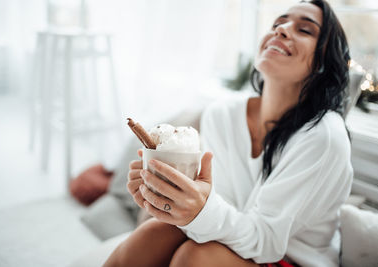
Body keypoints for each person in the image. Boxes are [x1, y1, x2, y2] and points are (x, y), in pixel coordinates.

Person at [104, 0, 353, 266]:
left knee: (196, 258)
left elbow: (266, 240)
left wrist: (198, 210)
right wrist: (168, 201)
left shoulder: (324, 137)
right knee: (151, 234)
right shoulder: (222, 115)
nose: (281, 30)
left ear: (325, 62)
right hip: (238, 239)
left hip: (289, 257)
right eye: (278, 23)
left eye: (305, 30)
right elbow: (222, 210)